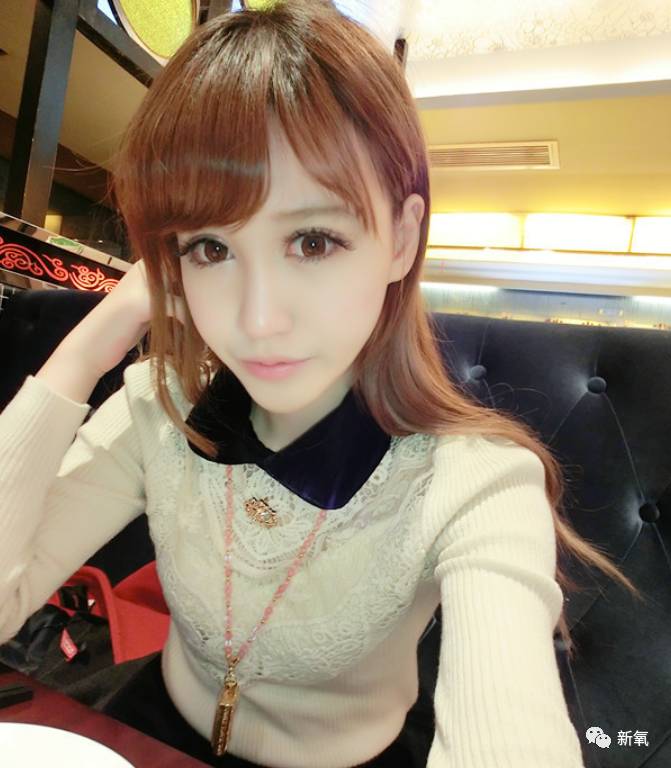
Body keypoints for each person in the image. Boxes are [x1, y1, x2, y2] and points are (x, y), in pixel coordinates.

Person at [0, 1, 642, 766]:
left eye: (312, 240)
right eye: (209, 248)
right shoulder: (159, 407)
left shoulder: (475, 481)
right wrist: (88, 346)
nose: (257, 319)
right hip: (148, 728)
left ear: (400, 238)